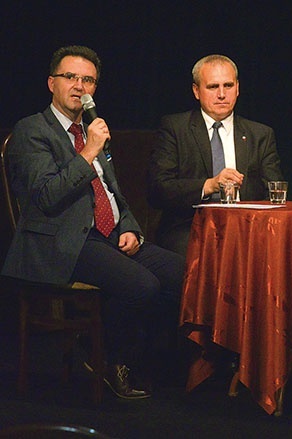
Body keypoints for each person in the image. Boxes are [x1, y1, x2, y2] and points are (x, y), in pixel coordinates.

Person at [1, 45, 185, 399]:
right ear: (51, 83)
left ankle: (117, 350)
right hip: (63, 241)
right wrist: (88, 152)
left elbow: (113, 191)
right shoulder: (32, 131)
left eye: (88, 80)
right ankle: (107, 357)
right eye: (70, 77)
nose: (79, 86)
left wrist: (130, 225)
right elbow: (46, 196)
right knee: (142, 286)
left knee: (181, 273)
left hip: (108, 234)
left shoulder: (91, 130)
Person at [148, 54, 284, 256]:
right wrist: (209, 185)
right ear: (196, 91)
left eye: (228, 86)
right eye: (213, 87)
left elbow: (274, 193)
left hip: (247, 227)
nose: (222, 94)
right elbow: (158, 190)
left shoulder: (260, 134)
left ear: (238, 88)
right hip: (190, 226)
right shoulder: (175, 128)